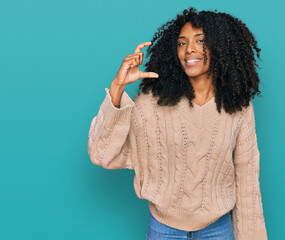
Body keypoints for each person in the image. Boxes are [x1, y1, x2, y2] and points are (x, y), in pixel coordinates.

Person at [87, 7, 268, 240]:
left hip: (218, 229)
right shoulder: (152, 103)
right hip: (164, 230)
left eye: (200, 40)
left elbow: (247, 183)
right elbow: (100, 155)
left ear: (221, 46)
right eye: (182, 43)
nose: (189, 49)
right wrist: (117, 86)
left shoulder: (238, 107)